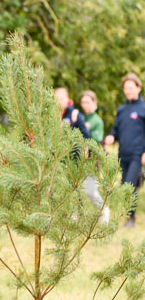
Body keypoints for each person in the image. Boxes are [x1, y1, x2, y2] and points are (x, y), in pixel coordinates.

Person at [54, 87, 109, 223]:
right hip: (64, 158)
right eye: (56, 99)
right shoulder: (54, 114)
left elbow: (86, 136)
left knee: (89, 190)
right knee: (71, 189)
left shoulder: (75, 114)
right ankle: (76, 217)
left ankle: (104, 211)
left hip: (79, 159)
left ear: (67, 99)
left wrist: (85, 152)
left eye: (61, 98)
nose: (59, 101)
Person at [105, 73, 145, 228]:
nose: (128, 91)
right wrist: (111, 136)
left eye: (130, 87)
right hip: (123, 154)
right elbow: (115, 129)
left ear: (138, 88)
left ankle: (130, 218)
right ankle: (140, 178)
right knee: (125, 185)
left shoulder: (143, 108)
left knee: (129, 185)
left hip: (137, 154)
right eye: (125, 88)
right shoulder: (121, 109)